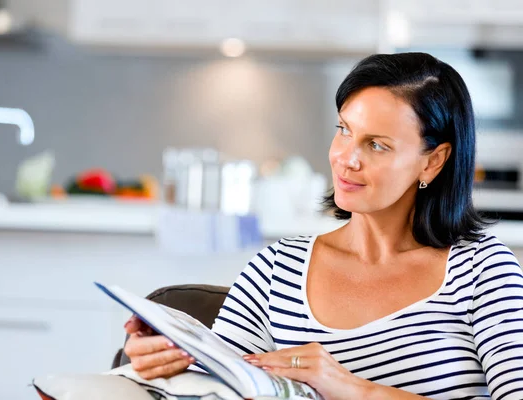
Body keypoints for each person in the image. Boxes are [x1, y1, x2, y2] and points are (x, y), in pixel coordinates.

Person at [124, 52, 523, 399]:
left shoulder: (483, 272)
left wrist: (352, 389)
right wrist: (171, 366)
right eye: (344, 130)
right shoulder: (277, 267)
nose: (346, 159)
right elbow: (221, 385)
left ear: (432, 161)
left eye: (377, 145)